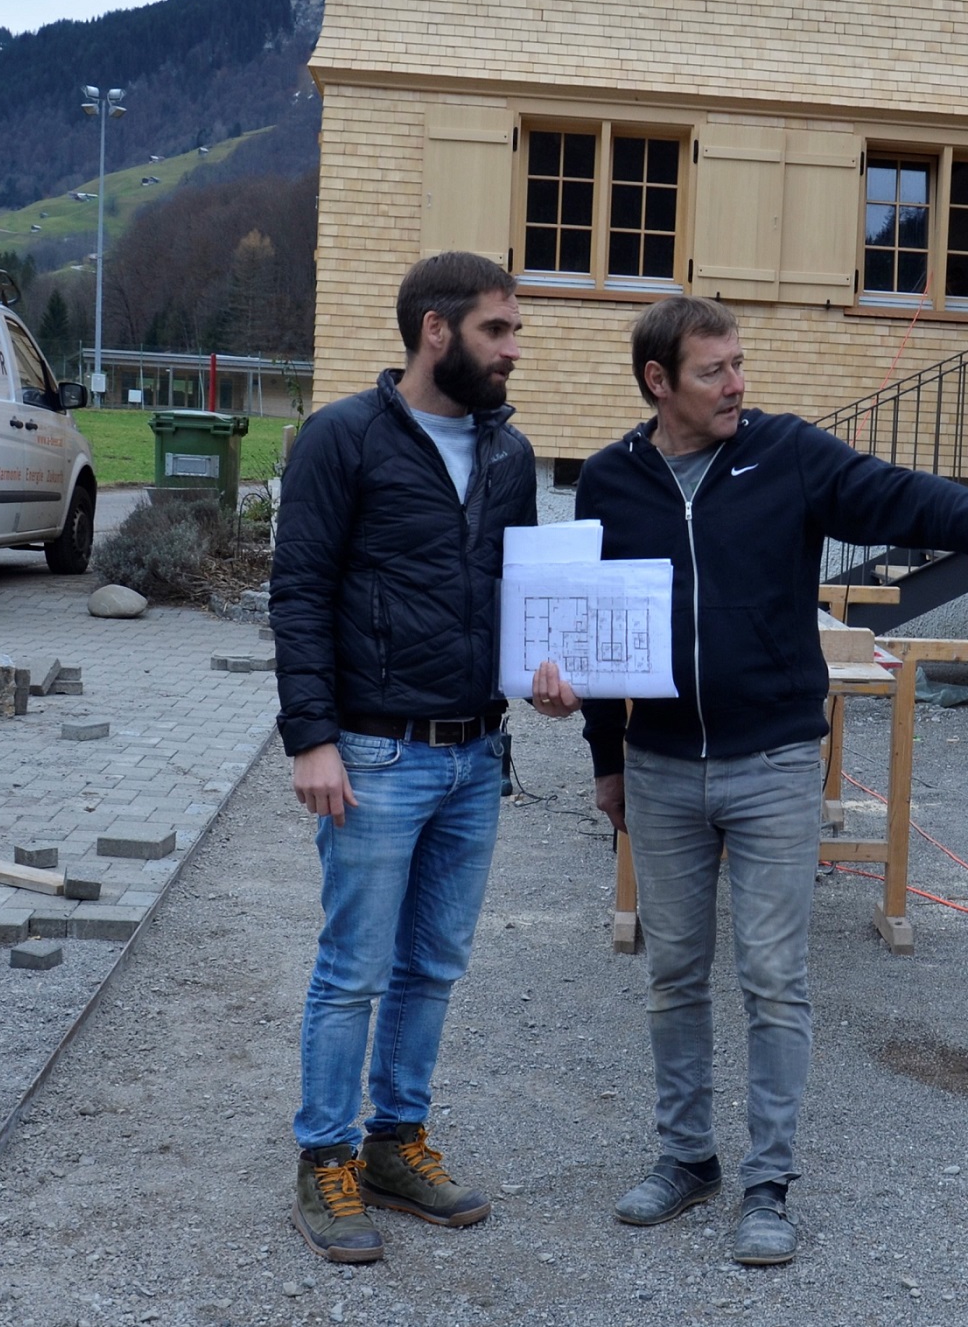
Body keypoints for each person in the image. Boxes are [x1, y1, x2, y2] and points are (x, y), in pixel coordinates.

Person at [529, 295, 968, 1267]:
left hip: (774, 765)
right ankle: (685, 1159)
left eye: (739, 364)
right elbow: (592, 633)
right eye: (714, 370)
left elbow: (898, 495)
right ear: (659, 381)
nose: (737, 384)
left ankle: (768, 1184)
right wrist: (604, 756)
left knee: (772, 978)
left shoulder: (787, 454)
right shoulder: (609, 482)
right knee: (674, 975)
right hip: (661, 769)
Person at [271, 252, 537, 1264]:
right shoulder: (343, 438)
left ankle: (395, 1141)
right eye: (497, 330)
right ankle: (325, 1157)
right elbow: (299, 591)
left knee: (432, 964)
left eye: (513, 332)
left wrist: (550, 674)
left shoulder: (508, 451)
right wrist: (312, 738)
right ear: (437, 330)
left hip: (477, 751)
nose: (512, 351)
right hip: (376, 753)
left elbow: (520, 592)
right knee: (354, 969)